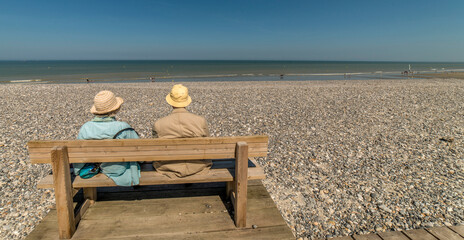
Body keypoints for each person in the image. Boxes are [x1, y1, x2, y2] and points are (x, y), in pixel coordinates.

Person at [73, 90, 141, 186]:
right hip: (118, 169)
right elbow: (139, 151)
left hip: (94, 169)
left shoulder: (86, 127)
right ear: (116, 109)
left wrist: (77, 170)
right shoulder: (123, 127)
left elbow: (79, 152)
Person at [152, 84, 212, 178]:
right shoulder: (200, 121)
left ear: (170, 102)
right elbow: (208, 144)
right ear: (187, 101)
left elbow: (156, 148)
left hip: (169, 166)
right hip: (197, 166)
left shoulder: (159, 124)